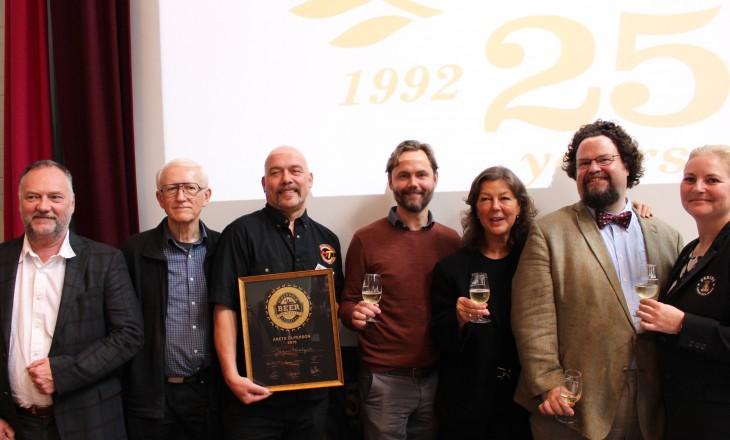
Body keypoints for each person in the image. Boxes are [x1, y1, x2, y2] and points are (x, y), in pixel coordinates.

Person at [511, 120, 683, 440]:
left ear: (627, 166)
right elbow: (533, 318)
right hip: (577, 401)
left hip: (654, 398)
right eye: (583, 163)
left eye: (604, 160)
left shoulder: (667, 236)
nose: (593, 169)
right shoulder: (548, 232)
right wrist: (548, 381)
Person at [0, 160, 143, 439]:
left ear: (72, 203)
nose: (43, 206)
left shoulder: (105, 260)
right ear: (19, 203)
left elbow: (129, 335)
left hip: (89, 423)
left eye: (55, 197)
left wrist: (65, 373)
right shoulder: (2, 260)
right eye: (33, 197)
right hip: (15, 426)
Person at [210, 146, 344, 440]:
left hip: (313, 396)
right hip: (256, 395)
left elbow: (332, 310)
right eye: (276, 172)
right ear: (264, 184)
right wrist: (232, 376)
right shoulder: (240, 233)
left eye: (295, 171)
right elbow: (224, 309)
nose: (286, 179)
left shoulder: (328, 240)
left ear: (309, 179)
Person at [339, 140, 461, 440]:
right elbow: (347, 303)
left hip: (437, 378)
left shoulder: (451, 241)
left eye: (421, 174)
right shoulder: (366, 239)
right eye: (403, 175)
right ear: (391, 181)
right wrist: (354, 313)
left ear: (435, 178)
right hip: (383, 382)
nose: (413, 183)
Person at [430, 166, 534, 439]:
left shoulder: (535, 261)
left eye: (505, 198)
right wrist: (458, 320)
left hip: (522, 400)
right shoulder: (451, 267)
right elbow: (440, 339)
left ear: (520, 206)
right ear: (476, 208)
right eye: (485, 199)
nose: (495, 207)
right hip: (468, 402)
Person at [121, 159, 221, 439]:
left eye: (190, 187)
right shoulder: (134, 251)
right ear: (159, 198)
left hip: (209, 394)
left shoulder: (223, 248)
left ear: (206, 196)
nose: (181, 196)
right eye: (171, 189)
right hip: (153, 397)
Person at [638, 145, 730, 440]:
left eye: (712, 180)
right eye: (689, 179)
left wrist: (682, 325)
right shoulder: (690, 249)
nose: (698, 188)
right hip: (682, 416)